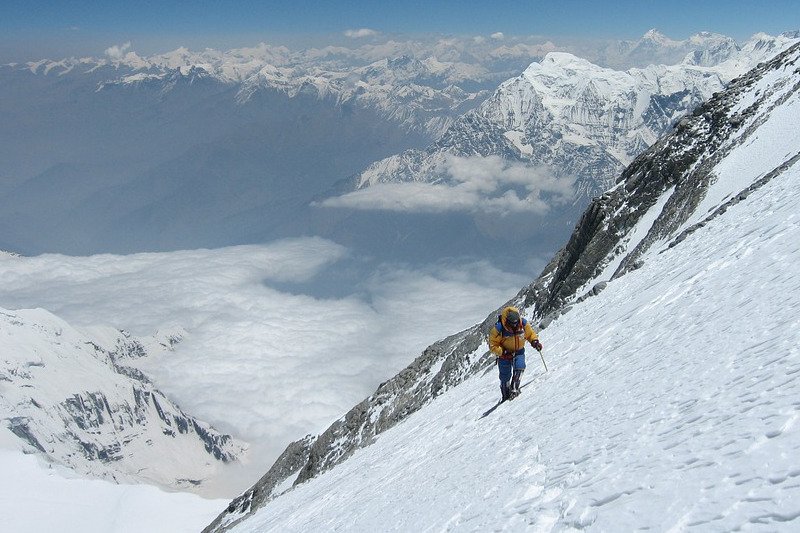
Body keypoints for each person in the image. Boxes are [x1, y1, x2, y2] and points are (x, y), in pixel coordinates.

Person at [488, 306, 542, 401]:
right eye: (512, 323)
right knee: (504, 376)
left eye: (516, 322)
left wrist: (534, 342)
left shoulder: (523, 324)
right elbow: (493, 345)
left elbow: (530, 334)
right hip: (504, 355)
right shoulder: (499, 328)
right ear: (507, 321)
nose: (515, 325)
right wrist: (503, 352)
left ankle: (514, 388)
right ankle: (505, 394)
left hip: (519, 351)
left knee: (520, 366)